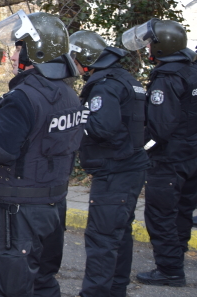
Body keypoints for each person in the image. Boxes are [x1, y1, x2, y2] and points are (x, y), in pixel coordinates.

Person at [0, 10, 85, 297]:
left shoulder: (22, 98)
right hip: (53, 206)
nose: (13, 54)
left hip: (20, 212)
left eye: (18, 47)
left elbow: (0, 150)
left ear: (34, 50)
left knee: (10, 289)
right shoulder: (67, 94)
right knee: (43, 284)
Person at [69, 30, 149, 296]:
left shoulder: (105, 85)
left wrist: (78, 117)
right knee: (119, 234)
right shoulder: (126, 79)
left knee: (102, 238)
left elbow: (102, 127)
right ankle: (116, 289)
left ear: (86, 58)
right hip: (130, 165)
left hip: (116, 170)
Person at [122, 19, 197, 287]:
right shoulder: (191, 71)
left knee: (161, 214)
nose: (149, 47)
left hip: (169, 160)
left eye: (151, 42)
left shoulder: (167, 79)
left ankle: (170, 270)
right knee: (182, 212)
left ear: (163, 46)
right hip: (191, 156)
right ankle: (174, 261)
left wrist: (139, 149)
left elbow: (160, 129)